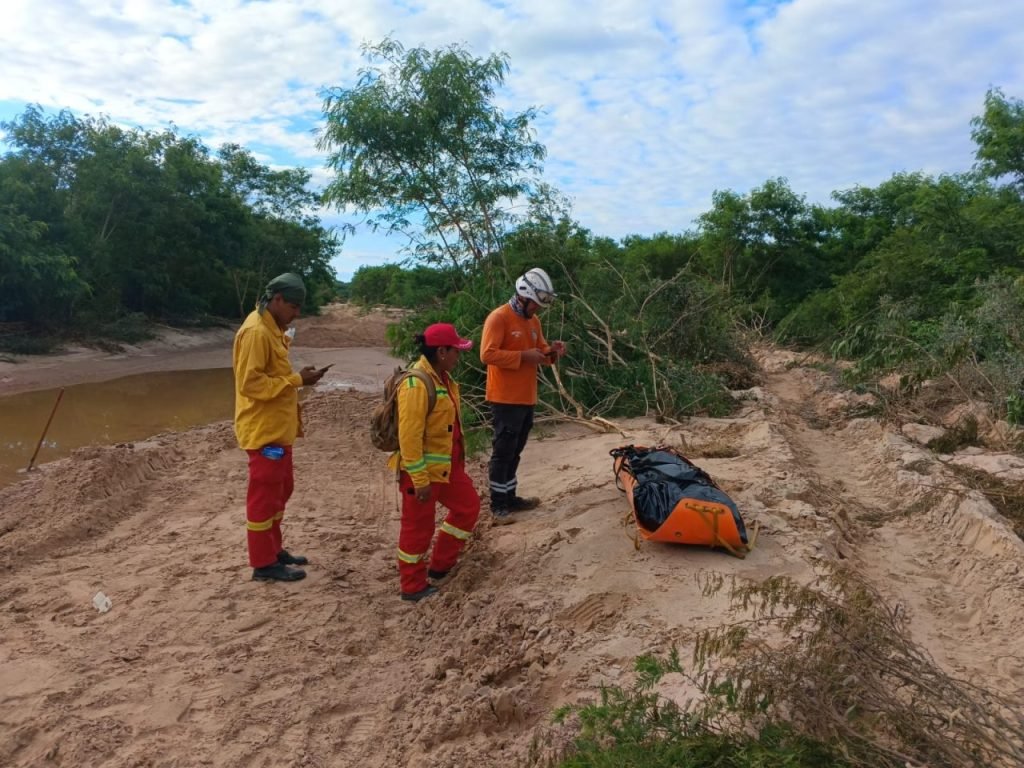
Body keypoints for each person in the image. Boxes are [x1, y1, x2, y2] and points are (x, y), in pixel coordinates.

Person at [233, 272, 325, 582]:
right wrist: (297, 380)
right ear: (277, 299)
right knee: (264, 499)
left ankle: (273, 550)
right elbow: (250, 384)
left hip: (277, 430)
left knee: (281, 491)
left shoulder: (273, 328)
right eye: (293, 307)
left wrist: (298, 378)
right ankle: (263, 564)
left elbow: (272, 374)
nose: (296, 313)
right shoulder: (256, 332)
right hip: (263, 433)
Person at [389, 323, 481, 602]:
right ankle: (412, 585)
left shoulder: (444, 379)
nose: (458, 357)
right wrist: (419, 480)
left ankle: (441, 564)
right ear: (441, 352)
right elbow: (409, 438)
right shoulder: (416, 384)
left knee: (468, 507)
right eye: (456, 351)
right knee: (417, 530)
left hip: (447, 469)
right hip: (422, 474)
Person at [480, 268, 567, 523]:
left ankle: (510, 497)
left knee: (515, 450)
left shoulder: (533, 322)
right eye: (535, 304)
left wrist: (552, 352)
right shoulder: (499, 318)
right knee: (502, 452)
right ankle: (498, 506)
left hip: (526, 397)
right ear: (523, 296)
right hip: (504, 398)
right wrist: (522, 356)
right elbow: (487, 354)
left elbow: (541, 353)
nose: (537, 309)